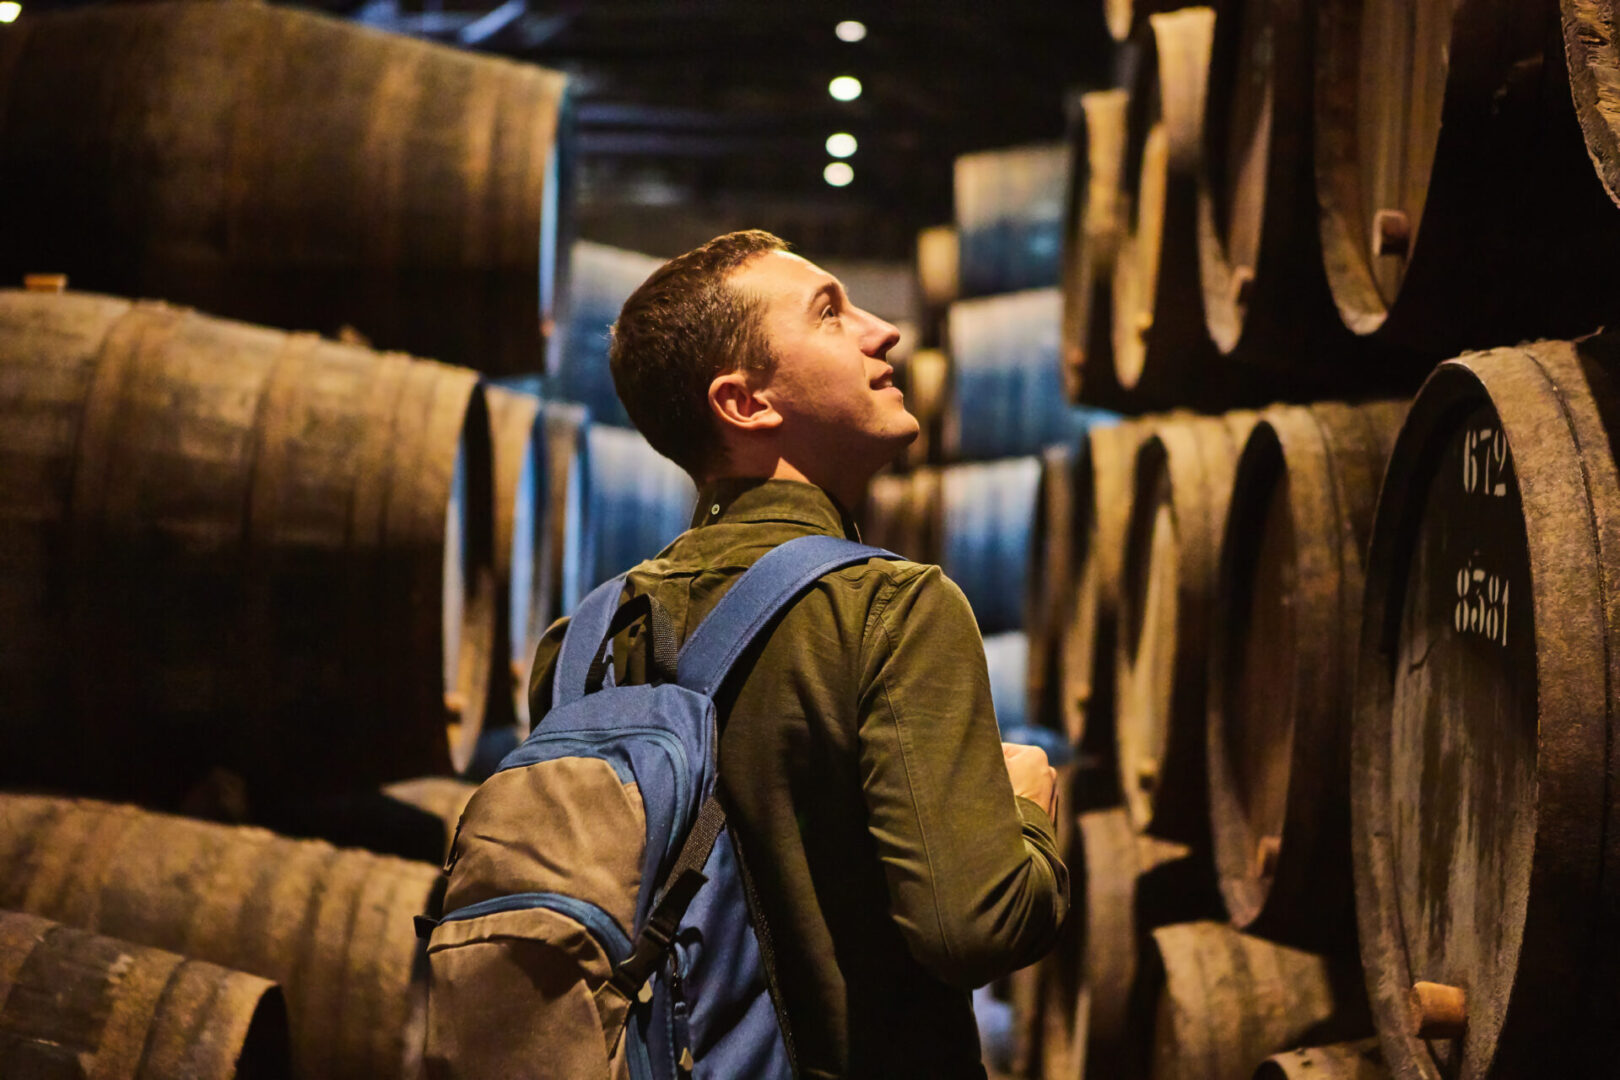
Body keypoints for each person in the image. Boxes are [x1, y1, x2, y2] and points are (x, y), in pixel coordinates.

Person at [528, 229, 1068, 1079]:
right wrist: (1029, 807)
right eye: (830, 313)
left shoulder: (583, 644)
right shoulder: (891, 607)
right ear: (746, 405)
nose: (883, 330)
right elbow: (976, 929)